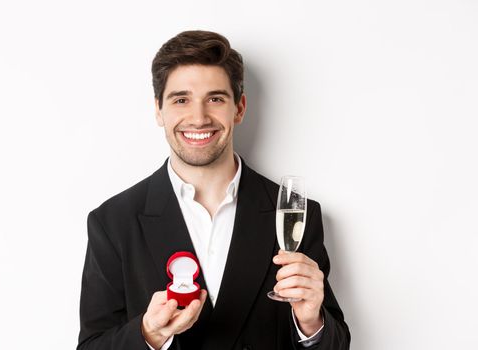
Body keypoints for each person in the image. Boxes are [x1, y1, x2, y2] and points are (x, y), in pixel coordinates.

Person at [77, 30, 350, 350]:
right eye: (181, 99)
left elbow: (336, 344)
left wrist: (310, 323)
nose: (198, 117)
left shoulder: (295, 213)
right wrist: (149, 334)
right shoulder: (113, 222)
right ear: (158, 110)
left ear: (239, 108)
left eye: (215, 99)